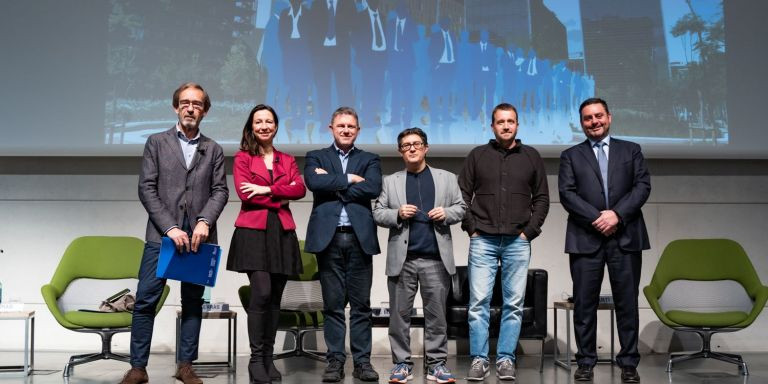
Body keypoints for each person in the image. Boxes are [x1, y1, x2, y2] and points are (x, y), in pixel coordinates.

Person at [122, 83, 228, 384]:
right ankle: (138, 368)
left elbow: (220, 190)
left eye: (196, 103)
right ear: (175, 107)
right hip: (161, 238)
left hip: (199, 239)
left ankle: (185, 366)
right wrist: (170, 226)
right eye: (185, 102)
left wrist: (205, 221)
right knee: (145, 300)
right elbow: (147, 188)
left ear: (204, 110)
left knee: (193, 302)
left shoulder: (214, 149)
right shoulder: (156, 142)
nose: (190, 108)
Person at [558, 98, 650, 383]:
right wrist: (599, 218)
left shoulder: (631, 150)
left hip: (625, 236)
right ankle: (585, 361)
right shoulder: (570, 155)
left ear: (609, 117)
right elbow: (567, 193)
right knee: (584, 304)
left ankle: (629, 363)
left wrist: (617, 215)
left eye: (598, 116)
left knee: (627, 303)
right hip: (586, 237)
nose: (594, 122)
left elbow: (642, 186)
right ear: (581, 122)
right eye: (588, 118)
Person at [458, 103, 549, 381]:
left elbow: (542, 198)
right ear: (492, 126)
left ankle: (506, 359)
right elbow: (462, 196)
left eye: (510, 121)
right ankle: (479, 359)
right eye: (500, 122)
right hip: (483, 239)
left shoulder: (532, 156)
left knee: (513, 303)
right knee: (478, 303)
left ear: (518, 125)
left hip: (517, 241)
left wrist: (529, 232)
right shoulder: (477, 155)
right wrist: (472, 229)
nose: (506, 126)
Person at [373, 128, 466, 384]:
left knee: (437, 317)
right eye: (406, 146)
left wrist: (446, 213)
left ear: (426, 148)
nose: (411, 148)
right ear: (400, 151)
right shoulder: (391, 181)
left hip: (436, 259)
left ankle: (436, 365)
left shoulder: (447, 178)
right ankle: (402, 364)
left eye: (416, 144)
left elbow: (461, 208)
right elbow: (378, 213)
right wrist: (397, 214)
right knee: (399, 316)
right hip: (402, 260)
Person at [227, 104, 306, 383]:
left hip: (282, 231)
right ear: (251, 126)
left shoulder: (287, 159)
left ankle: (269, 358)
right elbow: (246, 195)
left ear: (275, 126)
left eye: (269, 121)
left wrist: (268, 188)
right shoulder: (243, 158)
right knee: (260, 292)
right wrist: (281, 196)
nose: (264, 126)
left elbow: (300, 189)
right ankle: (256, 359)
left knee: (275, 298)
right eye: (258, 121)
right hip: (253, 231)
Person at [303, 107, 382, 382]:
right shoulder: (316, 156)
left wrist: (332, 182)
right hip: (330, 239)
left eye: (351, 126)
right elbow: (314, 182)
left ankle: (362, 362)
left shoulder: (370, 159)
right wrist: (349, 179)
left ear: (358, 130)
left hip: (360, 239)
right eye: (341, 126)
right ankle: (335, 361)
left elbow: (373, 188)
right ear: (331, 128)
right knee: (333, 305)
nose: (346, 130)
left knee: (361, 306)